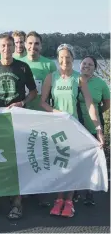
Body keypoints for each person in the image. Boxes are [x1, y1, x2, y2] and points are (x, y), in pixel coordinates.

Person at [41, 44, 104, 218]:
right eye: (61, 58)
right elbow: (43, 102)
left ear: (72, 59)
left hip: (76, 127)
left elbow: (90, 104)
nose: (64, 61)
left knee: (72, 165)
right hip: (57, 128)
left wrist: (98, 128)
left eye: (67, 58)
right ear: (57, 59)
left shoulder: (79, 78)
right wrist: (57, 113)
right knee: (60, 165)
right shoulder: (51, 78)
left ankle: (69, 201)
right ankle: (58, 199)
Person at [0, 33, 37, 219]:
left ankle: (17, 203)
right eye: (3, 46)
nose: (7, 49)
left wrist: (22, 103)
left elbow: (33, 92)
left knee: (16, 162)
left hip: (17, 121)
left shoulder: (23, 67)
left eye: (10, 45)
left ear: (14, 47)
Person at [75, 55, 110, 206]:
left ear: (95, 68)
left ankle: (89, 192)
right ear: (80, 65)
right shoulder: (74, 80)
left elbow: (106, 104)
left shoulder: (101, 83)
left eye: (90, 64)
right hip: (76, 125)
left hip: (94, 125)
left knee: (91, 160)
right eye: (84, 64)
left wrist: (96, 114)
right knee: (76, 159)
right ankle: (74, 190)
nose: (86, 66)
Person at [18, 31, 57, 112]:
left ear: (41, 46)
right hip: (22, 111)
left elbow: (55, 91)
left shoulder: (50, 65)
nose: (33, 46)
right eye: (30, 43)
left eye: (36, 43)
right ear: (25, 45)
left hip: (42, 112)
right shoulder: (18, 63)